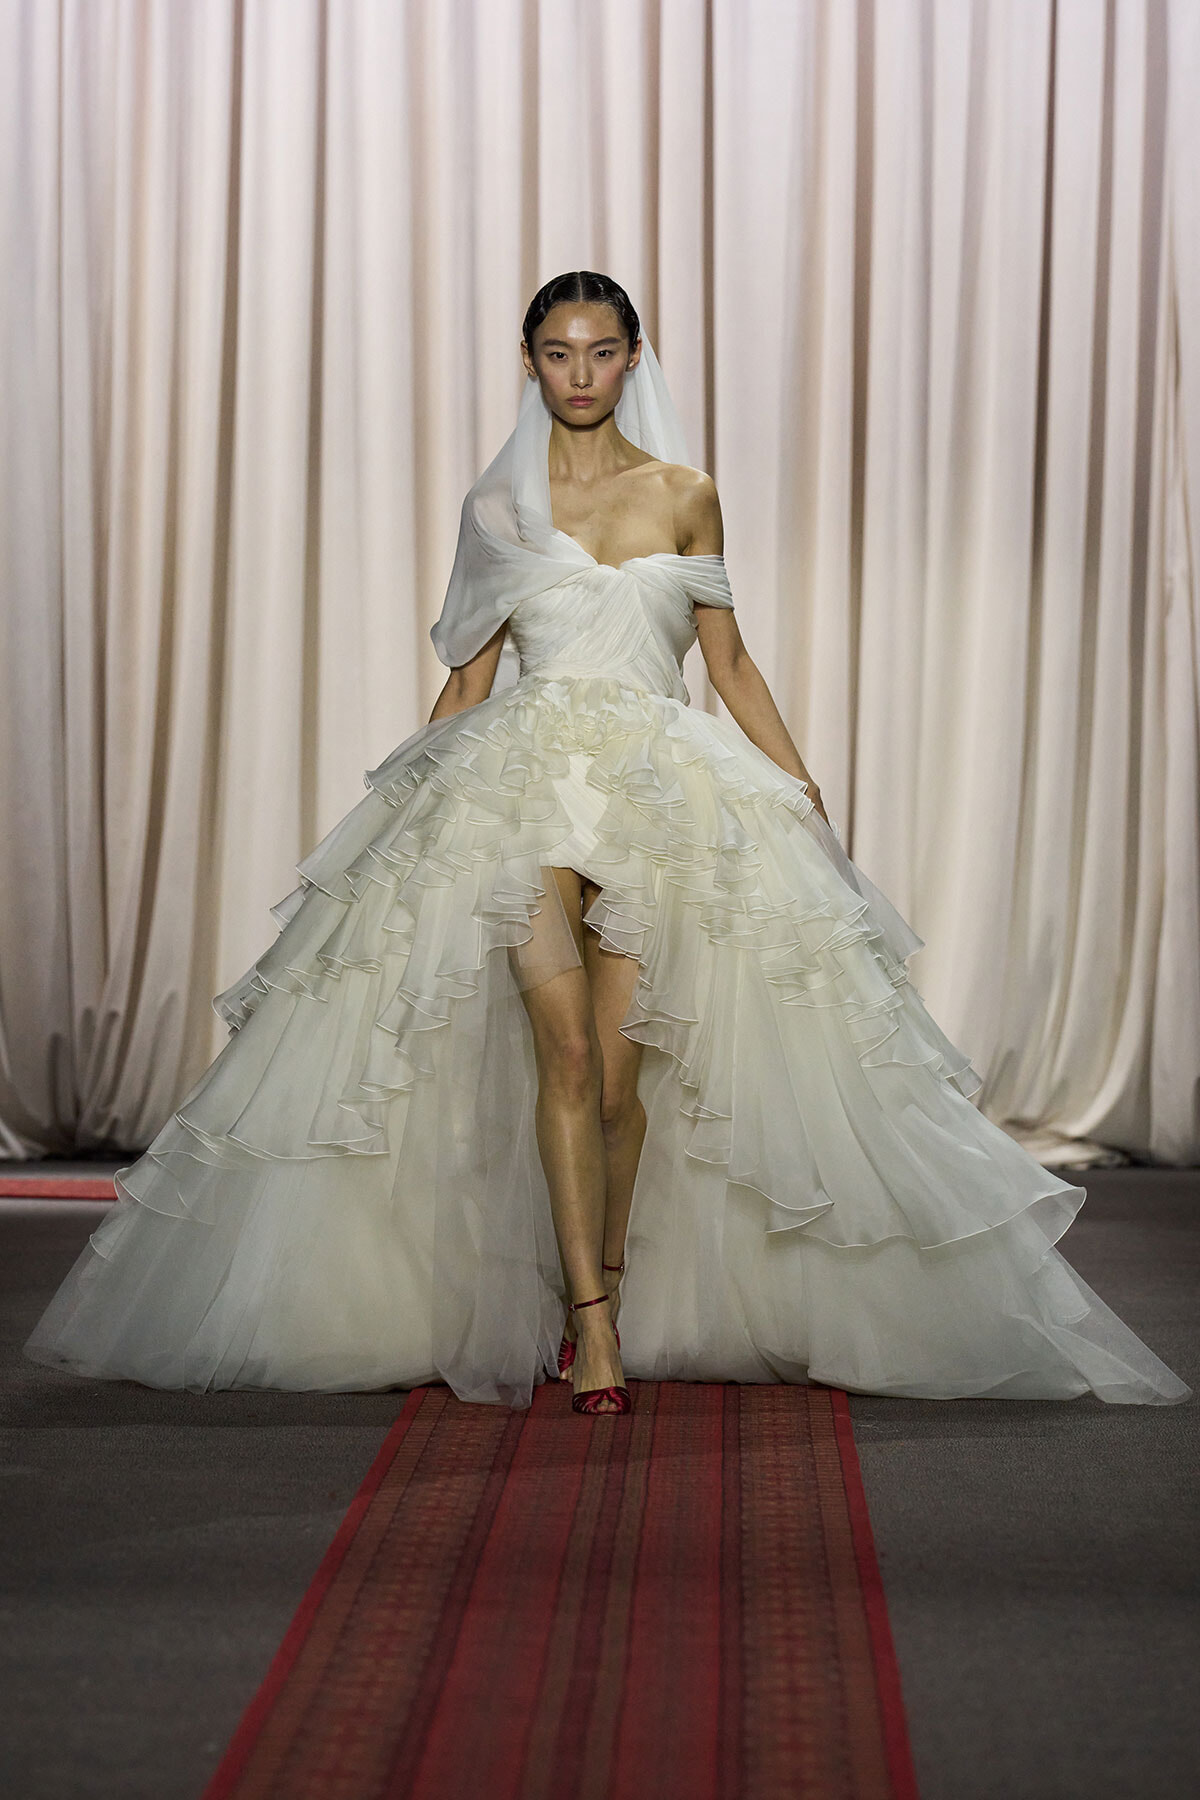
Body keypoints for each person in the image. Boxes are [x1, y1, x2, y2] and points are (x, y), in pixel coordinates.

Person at [24, 271, 1189, 1416]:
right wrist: (402, 822)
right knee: (567, 1053)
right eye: (557, 352)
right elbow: (469, 678)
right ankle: (590, 1327)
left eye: (600, 351)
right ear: (530, 364)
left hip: (652, 791)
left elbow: (725, 661)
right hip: (521, 783)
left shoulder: (687, 492)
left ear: (634, 359)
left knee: (624, 1083)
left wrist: (797, 783)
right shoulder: (499, 510)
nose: (579, 373)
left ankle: (611, 1288)